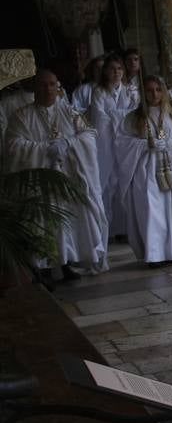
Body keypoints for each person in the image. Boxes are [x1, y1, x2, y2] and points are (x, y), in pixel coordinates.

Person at [5, 68, 108, 277]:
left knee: (69, 220)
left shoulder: (69, 112)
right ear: (34, 87)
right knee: (43, 222)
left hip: (68, 177)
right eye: (43, 85)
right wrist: (44, 149)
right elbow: (14, 145)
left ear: (58, 87)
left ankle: (66, 262)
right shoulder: (21, 116)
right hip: (39, 181)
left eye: (52, 84)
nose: (48, 89)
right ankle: (44, 266)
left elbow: (89, 135)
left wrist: (69, 143)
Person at [114, 75, 172, 265]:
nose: (154, 94)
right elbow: (123, 143)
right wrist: (145, 145)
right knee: (152, 211)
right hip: (147, 170)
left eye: (157, 90)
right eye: (149, 90)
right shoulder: (134, 118)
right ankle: (155, 253)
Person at [87, 55, 136, 238]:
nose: (116, 72)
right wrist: (121, 116)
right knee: (107, 183)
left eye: (119, 69)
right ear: (106, 72)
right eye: (112, 69)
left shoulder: (130, 91)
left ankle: (124, 228)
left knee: (124, 180)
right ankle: (107, 228)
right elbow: (99, 118)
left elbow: (134, 115)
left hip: (125, 143)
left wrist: (117, 115)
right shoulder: (99, 92)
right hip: (106, 143)